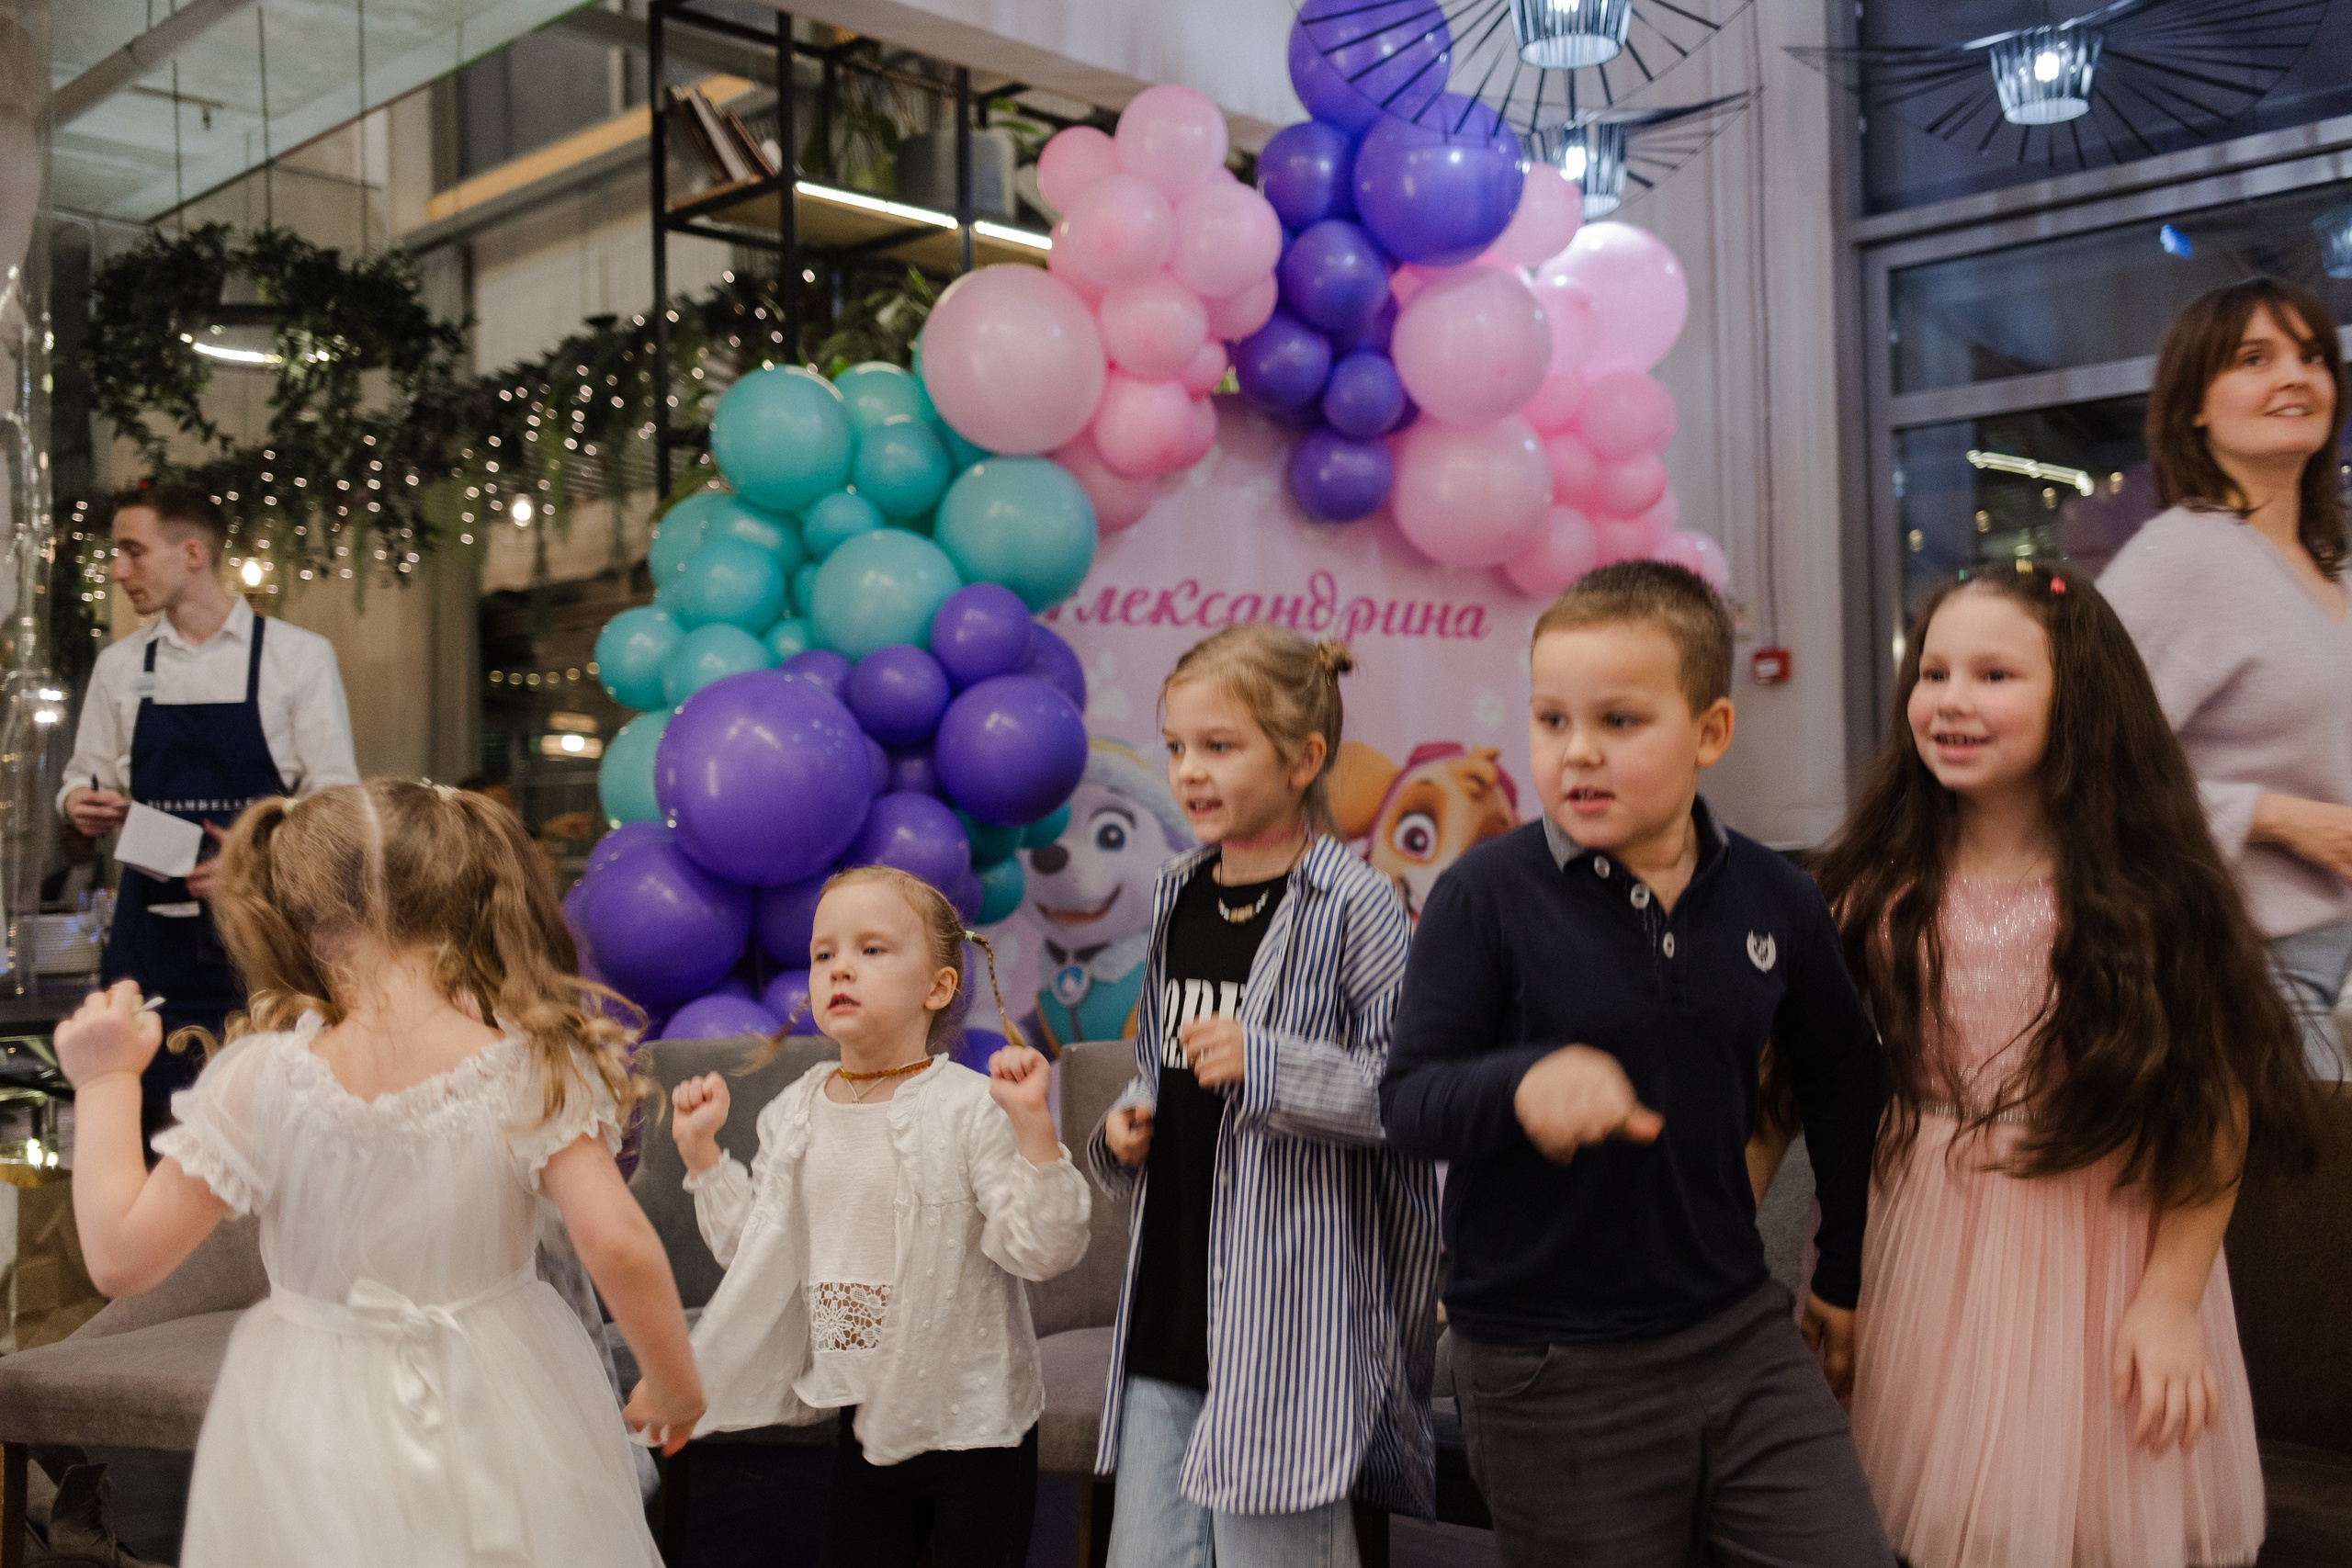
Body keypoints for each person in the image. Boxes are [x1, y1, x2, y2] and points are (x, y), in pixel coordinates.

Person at [1807, 563, 2324, 1568]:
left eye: (1994, 675)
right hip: (1920, 1237)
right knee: (1928, 1516)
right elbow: (1821, 1084)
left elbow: (2211, 1104)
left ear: (2078, 701)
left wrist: (2169, 1300)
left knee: (2081, 1511)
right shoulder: (1876, 886)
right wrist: (1837, 1270)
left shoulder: (2155, 893)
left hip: (2099, 1250)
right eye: (1933, 672)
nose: (1950, 699)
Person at [1380, 562, 1893, 1568]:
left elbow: (1842, 1072)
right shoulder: (1483, 895)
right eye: (1551, 721)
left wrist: (1840, 1272)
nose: (1578, 754)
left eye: (1619, 722)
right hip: (1545, 1364)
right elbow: (1407, 1101)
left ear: (1709, 733)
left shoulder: (1775, 897)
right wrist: (1520, 1087)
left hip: (1738, 1333)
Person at [51, 779, 701, 1568]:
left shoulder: (261, 1078)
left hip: (314, 1406)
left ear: (304, 918)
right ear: (460, 891)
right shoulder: (532, 1066)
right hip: (501, 1390)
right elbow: (618, 1244)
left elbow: (121, 1257)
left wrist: (106, 1082)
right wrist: (673, 1383)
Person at [1088, 626, 1439, 1568]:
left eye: (1220, 745)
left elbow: (1408, 1096)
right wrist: (1129, 1118)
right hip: (1169, 1300)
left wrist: (1271, 1063)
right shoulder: (1175, 892)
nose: (1189, 771)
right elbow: (1162, 1059)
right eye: (1175, 747)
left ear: (1303, 758)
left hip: (1286, 1320)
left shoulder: (1354, 905)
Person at [667, 865, 1090, 1568]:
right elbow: (757, 1251)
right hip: (865, 1411)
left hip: (976, 1422)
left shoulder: (969, 1105)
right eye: (823, 952)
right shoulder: (794, 1113)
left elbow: (1041, 1248)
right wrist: (704, 1155)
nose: (840, 969)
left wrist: (1034, 1132)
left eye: (871, 949)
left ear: (938, 987)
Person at [2100, 276, 2352, 1078]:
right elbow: (2078, 761)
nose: (2294, 376)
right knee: (2320, 1201)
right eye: (2255, 357)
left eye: (2313, 357)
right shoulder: (2183, 554)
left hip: (2331, 955)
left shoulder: (2332, 566)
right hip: (2237, 963)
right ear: (2195, 406)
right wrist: (2270, 816)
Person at [60, 484, 359, 1132]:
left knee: (272, 1123)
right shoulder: (119, 666)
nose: (117, 571)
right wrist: (77, 800)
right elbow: (85, 774)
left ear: (191, 552)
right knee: (150, 1123)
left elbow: (336, 801)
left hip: (266, 939)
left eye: (132, 552)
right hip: (150, 937)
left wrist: (254, 861)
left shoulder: (297, 657)